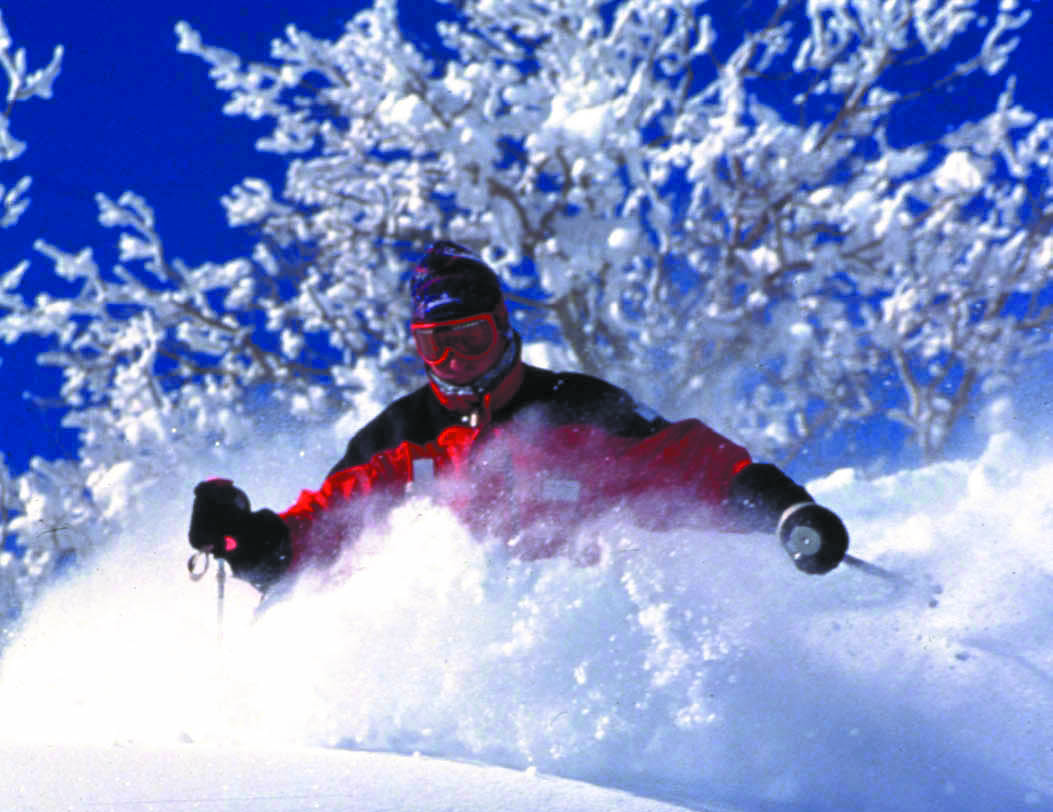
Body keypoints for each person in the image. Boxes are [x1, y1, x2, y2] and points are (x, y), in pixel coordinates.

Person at [188, 241, 849, 593]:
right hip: (436, 650)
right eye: (436, 346)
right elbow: (319, 535)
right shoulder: (396, 440)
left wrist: (787, 511)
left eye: (471, 339)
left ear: (503, 331)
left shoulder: (579, 410)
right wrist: (244, 542)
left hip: (573, 631)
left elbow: (696, 468)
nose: (456, 362)